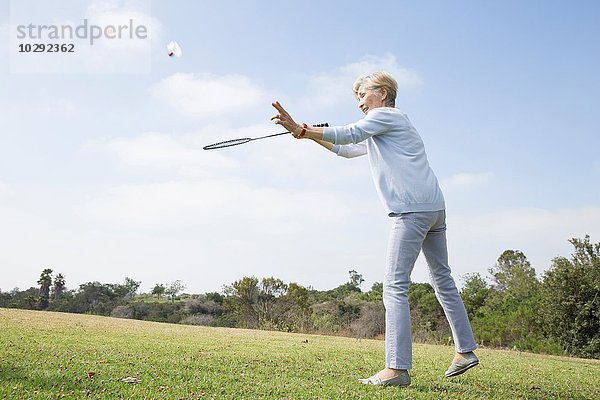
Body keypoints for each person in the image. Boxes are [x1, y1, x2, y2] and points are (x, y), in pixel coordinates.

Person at [271, 71, 479, 387]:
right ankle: (465, 350)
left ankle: (396, 369)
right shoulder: (389, 126)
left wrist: (301, 128)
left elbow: (350, 134)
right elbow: (347, 148)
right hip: (434, 208)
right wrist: (306, 135)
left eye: (363, 95)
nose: (359, 103)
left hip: (411, 211)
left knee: (395, 285)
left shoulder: (387, 116)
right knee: (442, 279)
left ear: (381, 93)